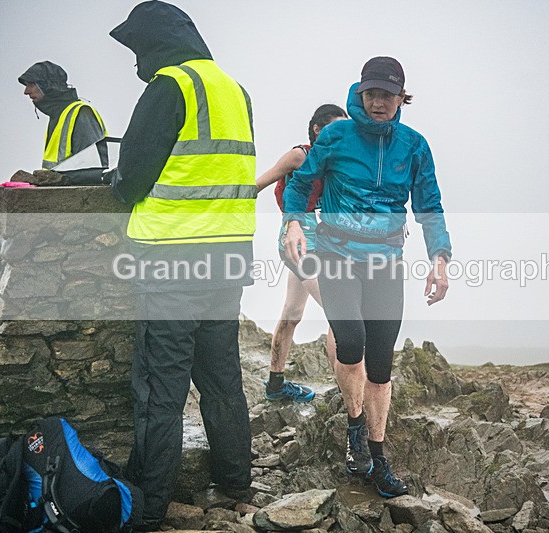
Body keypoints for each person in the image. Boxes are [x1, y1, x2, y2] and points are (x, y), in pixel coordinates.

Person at [109, 1, 257, 526]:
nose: (135, 63)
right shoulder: (233, 90)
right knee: (222, 380)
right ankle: (236, 484)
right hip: (229, 259)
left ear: (157, 44)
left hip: (173, 261)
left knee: (161, 388)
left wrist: (119, 185)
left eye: (138, 50)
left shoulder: (169, 87)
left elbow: (131, 180)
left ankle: (146, 509)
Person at [283, 56, 452, 498]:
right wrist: (296, 222)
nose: (380, 102)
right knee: (351, 342)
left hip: (386, 263)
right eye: (372, 93)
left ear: (401, 98)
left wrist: (440, 256)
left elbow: (429, 204)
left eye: (388, 95)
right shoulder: (337, 135)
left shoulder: (414, 145)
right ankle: (353, 422)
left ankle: (376, 454)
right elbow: (300, 185)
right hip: (337, 255)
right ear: (361, 94)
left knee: (380, 364)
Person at [256, 104, 347, 402]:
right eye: (335, 128)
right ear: (318, 129)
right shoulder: (301, 155)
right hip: (295, 238)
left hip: (315, 239)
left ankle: (275, 384)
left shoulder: (332, 163)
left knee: (292, 313)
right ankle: (347, 392)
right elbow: (261, 182)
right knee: (340, 314)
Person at [18, 61, 108, 169]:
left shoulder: (81, 113)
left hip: (78, 187)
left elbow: (92, 167)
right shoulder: (58, 116)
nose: (26, 91)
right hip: (60, 187)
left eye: (31, 85)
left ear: (47, 86)